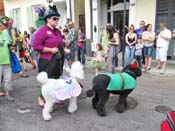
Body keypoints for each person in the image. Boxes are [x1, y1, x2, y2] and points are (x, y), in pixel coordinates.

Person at [33, 5, 65, 106]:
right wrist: (50, 50)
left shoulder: (57, 31)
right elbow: (35, 45)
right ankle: (41, 98)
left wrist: (65, 49)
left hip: (58, 59)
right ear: (48, 19)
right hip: (47, 60)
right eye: (54, 18)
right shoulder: (42, 30)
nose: (57, 20)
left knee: (56, 79)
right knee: (46, 80)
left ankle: (54, 98)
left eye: (57, 18)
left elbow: (60, 43)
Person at [0, 16, 15, 101]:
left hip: (6, 60)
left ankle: (7, 94)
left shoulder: (5, 33)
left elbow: (9, 45)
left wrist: (12, 48)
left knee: (8, 78)